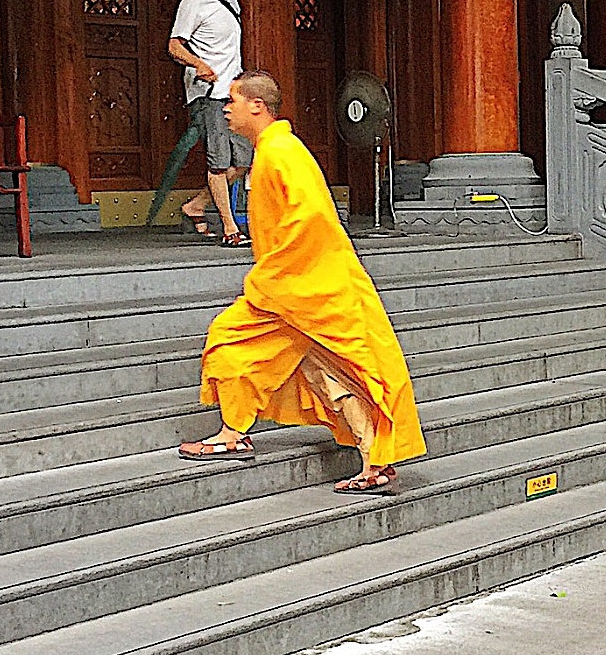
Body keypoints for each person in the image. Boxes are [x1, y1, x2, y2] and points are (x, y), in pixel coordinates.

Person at [179, 72, 426, 492]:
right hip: (300, 286)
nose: (227, 109)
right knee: (327, 370)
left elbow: (309, 221)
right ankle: (373, 461)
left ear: (257, 106)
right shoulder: (273, 150)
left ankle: (233, 433)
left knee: (230, 340)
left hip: (303, 284)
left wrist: (272, 277)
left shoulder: (281, 152)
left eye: (232, 101)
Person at [168, 0, 250, 246]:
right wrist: (198, 64)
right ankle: (230, 229)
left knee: (243, 160)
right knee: (219, 161)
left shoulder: (231, 2)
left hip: (233, 93)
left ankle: (196, 205)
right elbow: (174, 46)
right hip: (209, 93)